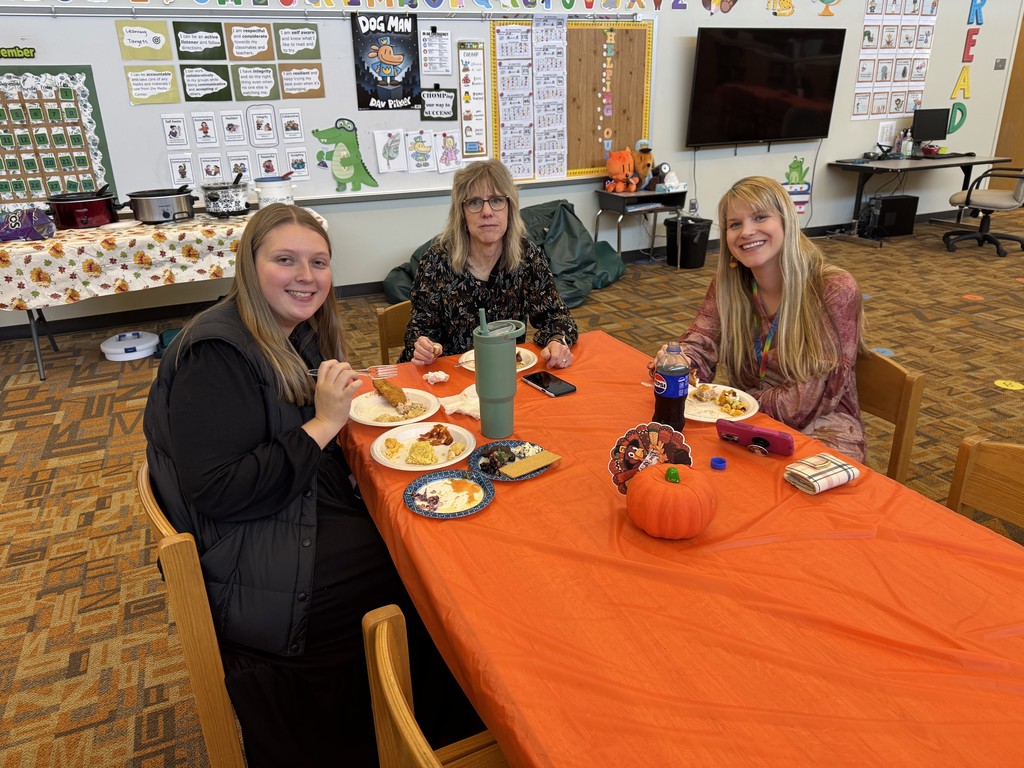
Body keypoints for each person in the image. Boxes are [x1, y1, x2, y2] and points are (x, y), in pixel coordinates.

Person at [144, 204, 479, 766]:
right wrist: (324, 424)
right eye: (285, 260)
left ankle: (435, 716)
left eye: (318, 262)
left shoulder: (283, 334)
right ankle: (433, 731)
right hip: (253, 564)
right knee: (430, 565)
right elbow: (218, 491)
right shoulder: (216, 354)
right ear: (250, 267)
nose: (306, 276)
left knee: (419, 525)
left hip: (278, 520)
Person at [659, 176, 866, 460]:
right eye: (734, 224)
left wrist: (731, 403)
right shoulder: (729, 284)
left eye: (759, 217)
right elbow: (702, 342)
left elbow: (805, 402)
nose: (746, 231)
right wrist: (680, 363)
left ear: (786, 222)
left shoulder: (832, 290)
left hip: (822, 435)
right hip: (747, 428)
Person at [400, 159, 579, 368]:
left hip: (503, 372)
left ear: (509, 208)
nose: (487, 212)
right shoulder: (436, 261)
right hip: (446, 376)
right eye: (475, 202)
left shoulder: (527, 256)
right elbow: (418, 330)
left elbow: (557, 317)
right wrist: (422, 345)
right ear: (462, 213)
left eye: (496, 200)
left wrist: (557, 340)